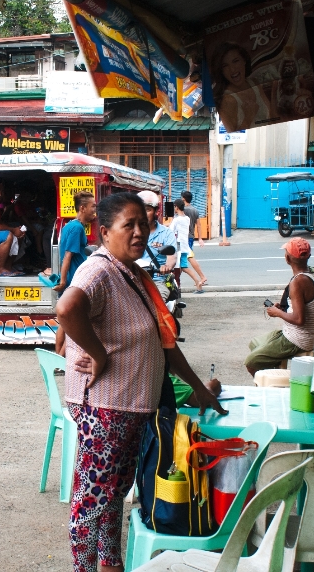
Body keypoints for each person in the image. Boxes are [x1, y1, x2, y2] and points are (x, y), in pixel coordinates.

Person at [56, 192, 226, 572]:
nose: (138, 232)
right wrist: (97, 354)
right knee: (92, 500)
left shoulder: (131, 271)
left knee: (114, 493)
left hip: (132, 406)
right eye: (127, 225)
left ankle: (109, 563)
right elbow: (66, 310)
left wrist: (198, 388)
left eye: (142, 224)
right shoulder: (98, 271)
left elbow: (163, 344)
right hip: (106, 405)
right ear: (104, 232)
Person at [244, 237, 314, 376]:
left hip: (297, 339)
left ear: (287, 259)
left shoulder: (298, 281)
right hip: (296, 333)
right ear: (309, 256)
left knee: (251, 362)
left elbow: (299, 319)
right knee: (255, 343)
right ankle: (274, 372)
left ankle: (268, 387)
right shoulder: (312, 272)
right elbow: (305, 305)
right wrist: (283, 309)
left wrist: (277, 313)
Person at [53, 191, 97, 355]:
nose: (94, 209)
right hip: (74, 281)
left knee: (64, 323)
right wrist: (64, 281)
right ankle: (60, 358)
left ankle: (59, 359)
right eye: (92, 206)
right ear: (83, 207)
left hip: (73, 280)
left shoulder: (70, 225)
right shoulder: (77, 228)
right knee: (72, 323)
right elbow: (68, 256)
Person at [210, 42, 273, 132]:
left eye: (235, 61)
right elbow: (233, 135)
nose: (232, 69)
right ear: (221, 71)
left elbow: (271, 116)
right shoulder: (227, 100)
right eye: (225, 66)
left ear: (244, 60)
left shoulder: (254, 83)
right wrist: (248, 116)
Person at [137, 190, 177, 299]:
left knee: (157, 306)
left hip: (157, 281)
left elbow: (172, 257)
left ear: (156, 211)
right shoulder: (129, 233)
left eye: (147, 210)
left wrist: (167, 266)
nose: (142, 214)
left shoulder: (166, 233)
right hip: (133, 280)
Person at [181, 190, 208, 288]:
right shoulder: (195, 210)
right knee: (183, 259)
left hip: (184, 238)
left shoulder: (182, 210)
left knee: (189, 257)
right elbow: (199, 225)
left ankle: (202, 276)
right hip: (191, 237)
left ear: (183, 199)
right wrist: (200, 238)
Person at [169, 198, 193, 288]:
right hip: (184, 244)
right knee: (181, 266)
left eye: (174, 207)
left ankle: (197, 281)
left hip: (178, 244)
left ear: (177, 207)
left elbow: (171, 231)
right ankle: (177, 285)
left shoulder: (176, 220)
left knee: (178, 266)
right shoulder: (187, 218)